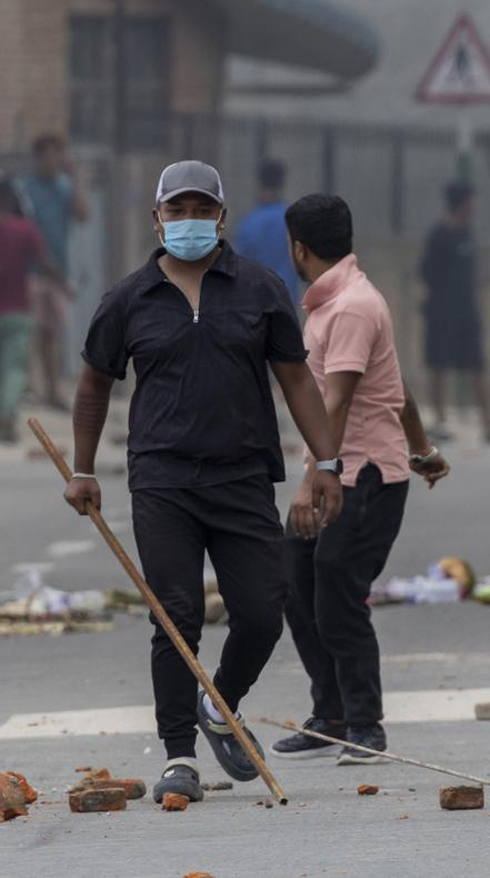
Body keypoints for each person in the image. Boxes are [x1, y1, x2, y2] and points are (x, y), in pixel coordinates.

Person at [63, 160, 344, 805]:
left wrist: (326, 463)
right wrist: (82, 470)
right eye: (176, 210)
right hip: (162, 480)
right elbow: (93, 386)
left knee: (263, 611)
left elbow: (297, 379)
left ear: (222, 216)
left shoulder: (260, 288)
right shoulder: (128, 299)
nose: (188, 221)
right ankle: (179, 753)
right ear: (156, 218)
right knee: (175, 615)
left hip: (244, 475)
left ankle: (220, 707)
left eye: (200, 210)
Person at [272, 193, 450, 764]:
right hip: (343, 470)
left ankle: (366, 724)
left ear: (299, 247)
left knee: (336, 588)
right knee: (294, 580)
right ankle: (331, 714)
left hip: (363, 476)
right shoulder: (333, 304)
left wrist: (313, 477)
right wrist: (423, 450)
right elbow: (397, 391)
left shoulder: (351, 307)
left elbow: (339, 400)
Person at [419, 181, 490, 442]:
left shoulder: (467, 233)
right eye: (471, 202)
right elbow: (426, 272)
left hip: (466, 312)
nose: (474, 207)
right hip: (441, 312)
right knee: (438, 365)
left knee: (477, 365)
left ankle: (489, 425)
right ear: (462, 203)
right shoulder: (439, 234)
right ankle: (438, 422)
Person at [18, 134, 89, 409]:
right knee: (29, 331)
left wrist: (76, 177)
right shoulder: (25, 188)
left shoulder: (64, 188)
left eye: (59, 155)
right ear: (39, 157)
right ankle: (28, 386)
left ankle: (53, 390)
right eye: (50, 155)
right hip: (31, 272)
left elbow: (82, 214)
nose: (54, 161)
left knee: (52, 333)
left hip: (57, 272)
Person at [0, 180, 69, 442]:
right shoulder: (25, 230)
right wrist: (64, 283)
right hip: (17, 310)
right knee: (14, 368)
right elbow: (45, 262)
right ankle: (6, 418)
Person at [233, 159, 299, 298]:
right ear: (282, 183)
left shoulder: (249, 224)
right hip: (287, 298)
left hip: (257, 301)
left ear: (258, 184)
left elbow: (240, 268)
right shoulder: (294, 220)